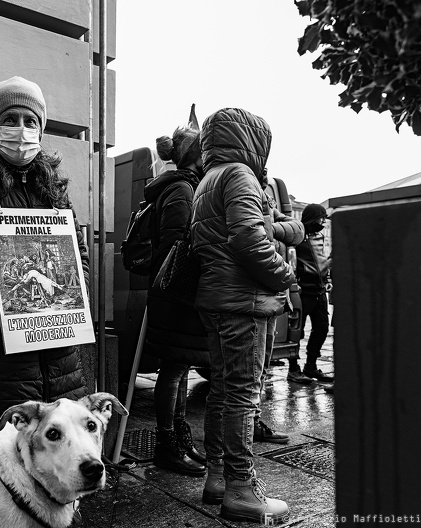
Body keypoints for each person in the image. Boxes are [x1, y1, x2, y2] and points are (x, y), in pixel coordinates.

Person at [0, 76, 89, 426]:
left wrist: (70, 307)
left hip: (59, 352)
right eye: (10, 120)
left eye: (30, 121)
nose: (20, 130)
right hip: (2, 357)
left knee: (58, 454)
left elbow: (79, 260)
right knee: (9, 456)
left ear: (40, 131)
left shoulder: (55, 193)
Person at [191, 108, 294, 523]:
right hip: (244, 304)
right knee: (243, 396)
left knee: (222, 391)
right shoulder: (240, 175)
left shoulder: (208, 179)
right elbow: (249, 237)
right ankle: (242, 489)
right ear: (253, 140)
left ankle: (217, 477)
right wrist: (284, 275)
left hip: (218, 301)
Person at [143, 126, 208, 477]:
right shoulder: (182, 188)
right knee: (172, 369)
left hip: (178, 291)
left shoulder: (184, 185)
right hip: (175, 292)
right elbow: (175, 245)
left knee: (180, 366)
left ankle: (180, 439)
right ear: (195, 156)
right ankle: (167, 445)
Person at [252, 191, 306, 445]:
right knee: (248, 374)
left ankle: (252, 422)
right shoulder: (240, 185)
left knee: (262, 367)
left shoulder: (265, 196)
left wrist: (270, 226)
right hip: (257, 295)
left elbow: (298, 229)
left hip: (273, 296)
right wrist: (286, 274)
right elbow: (250, 241)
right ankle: (239, 434)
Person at [290, 203, 333, 383]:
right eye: (320, 217)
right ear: (311, 217)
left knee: (322, 328)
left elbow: (321, 261)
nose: (323, 221)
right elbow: (291, 260)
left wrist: (327, 280)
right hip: (303, 292)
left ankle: (311, 366)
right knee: (296, 333)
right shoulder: (296, 236)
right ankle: (293, 370)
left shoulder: (320, 236)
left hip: (320, 291)